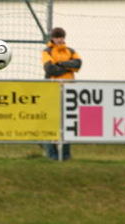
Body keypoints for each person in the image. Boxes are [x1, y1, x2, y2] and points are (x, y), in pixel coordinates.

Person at [42, 27, 82, 160]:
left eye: (62, 37)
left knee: (67, 122)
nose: (60, 40)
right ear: (52, 38)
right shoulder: (47, 51)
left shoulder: (70, 51)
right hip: (53, 90)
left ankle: (66, 154)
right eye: (57, 37)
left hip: (68, 90)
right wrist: (66, 68)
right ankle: (52, 154)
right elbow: (49, 69)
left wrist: (59, 64)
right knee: (52, 122)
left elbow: (77, 64)